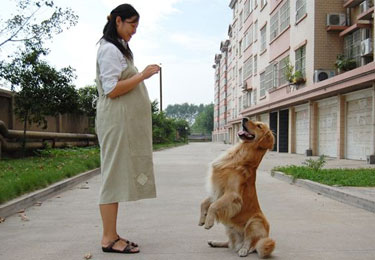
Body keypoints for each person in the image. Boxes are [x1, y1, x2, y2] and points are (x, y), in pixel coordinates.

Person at [95, 3, 160, 254]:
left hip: (121, 123)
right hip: (115, 122)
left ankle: (112, 233)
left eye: (137, 25)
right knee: (112, 177)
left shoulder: (118, 49)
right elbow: (112, 90)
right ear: (118, 21)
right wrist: (142, 75)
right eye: (132, 24)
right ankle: (108, 239)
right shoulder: (109, 50)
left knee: (117, 176)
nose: (134, 30)